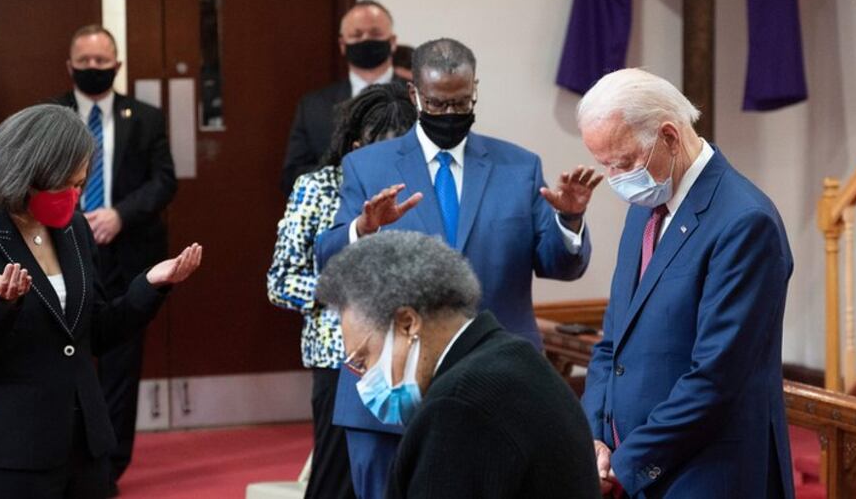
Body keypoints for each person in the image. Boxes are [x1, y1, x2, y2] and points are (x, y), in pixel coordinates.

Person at [314, 37, 601, 499]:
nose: (449, 114)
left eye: (460, 103)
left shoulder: (519, 166)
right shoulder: (367, 165)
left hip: (497, 387)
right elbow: (327, 264)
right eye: (437, 103)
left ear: (474, 92)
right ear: (415, 96)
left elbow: (559, 265)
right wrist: (363, 230)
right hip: (393, 387)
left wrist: (568, 220)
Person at [0, 104, 201, 498]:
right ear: (27, 173)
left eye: (80, 183)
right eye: (67, 185)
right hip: (11, 453)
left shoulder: (74, 230)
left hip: (84, 443)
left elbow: (96, 329)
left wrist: (149, 285)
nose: (76, 197)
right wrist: (1, 307)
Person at [577, 68, 794, 498]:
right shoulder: (646, 205)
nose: (616, 179)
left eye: (622, 163)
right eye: (605, 165)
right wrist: (593, 440)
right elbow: (611, 343)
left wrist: (625, 465)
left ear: (670, 137)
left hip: (708, 474)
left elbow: (715, 378)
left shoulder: (744, 221)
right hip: (632, 468)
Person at [315, 230, 599, 498]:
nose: (363, 379)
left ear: (407, 323)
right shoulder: (511, 358)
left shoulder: (457, 406)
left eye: (363, 359)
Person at [268, 84, 416, 499]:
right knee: (338, 482)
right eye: (380, 149)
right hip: (342, 360)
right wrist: (348, 290)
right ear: (355, 146)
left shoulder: (420, 188)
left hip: (414, 356)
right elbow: (280, 282)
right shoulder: (317, 188)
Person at [49, 24, 177, 492]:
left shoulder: (144, 116)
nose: (93, 70)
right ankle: (65, 461)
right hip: (60, 256)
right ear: (69, 66)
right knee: (64, 363)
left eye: (101, 63)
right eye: (84, 63)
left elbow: (165, 181)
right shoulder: (51, 115)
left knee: (122, 371)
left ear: (117, 65)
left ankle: (109, 469)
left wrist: (120, 215)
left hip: (127, 258)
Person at [280, 0, 406, 195]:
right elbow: (292, 177)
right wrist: (344, 172)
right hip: (335, 217)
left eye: (375, 34)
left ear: (392, 41)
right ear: (342, 44)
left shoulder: (418, 99)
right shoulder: (313, 106)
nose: (365, 40)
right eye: (356, 35)